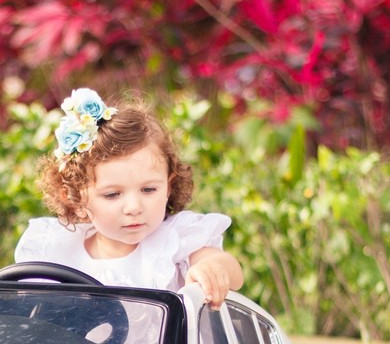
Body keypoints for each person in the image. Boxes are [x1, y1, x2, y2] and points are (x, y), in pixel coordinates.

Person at [15, 88, 243, 308]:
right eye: (113, 194)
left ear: (168, 187)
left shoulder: (175, 240)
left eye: (148, 190)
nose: (134, 207)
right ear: (76, 199)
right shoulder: (56, 250)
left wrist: (211, 268)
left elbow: (232, 271)